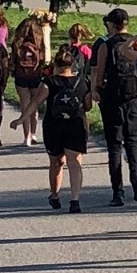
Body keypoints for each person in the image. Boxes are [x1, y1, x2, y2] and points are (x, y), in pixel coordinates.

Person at [91, 7, 137, 206]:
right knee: (132, 141)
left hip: (112, 99)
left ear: (112, 25)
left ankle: (118, 191)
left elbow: (100, 71)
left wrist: (96, 88)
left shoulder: (107, 45)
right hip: (133, 97)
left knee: (114, 145)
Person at [41, 50, 91, 211]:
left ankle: (55, 195)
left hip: (54, 126)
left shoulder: (49, 82)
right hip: (76, 125)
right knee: (75, 163)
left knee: (56, 162)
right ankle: (74, 200)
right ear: (73, 65)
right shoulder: (82, 82)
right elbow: (88, 106)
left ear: (55, 65)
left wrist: (21, 119)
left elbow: (36, 101)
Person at [9, 16, 49, 147]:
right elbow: (43, 59)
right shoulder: (38, 43)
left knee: (24, 106)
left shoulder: (17, 43)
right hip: (35, 75)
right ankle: (33, 133)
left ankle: (26, 137)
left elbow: (13, 60)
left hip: (21, 77)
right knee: (34, 104)